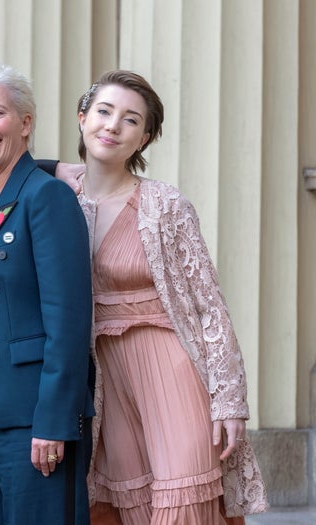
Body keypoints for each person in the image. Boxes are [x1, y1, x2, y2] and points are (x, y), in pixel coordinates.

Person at [73, 70, 268, 523]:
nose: (113, 125)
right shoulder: (57, 199)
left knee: (182, 500)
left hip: (173, 367)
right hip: (107, 379)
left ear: (143, 139)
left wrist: (230, 402)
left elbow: (209, 307)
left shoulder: (164, 204)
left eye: (130, 120)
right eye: (104, 111)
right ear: (82, 118)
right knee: (130, 507)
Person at [0, 61, 93, 525]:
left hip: (32, 419)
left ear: (26, 123)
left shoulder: (47, 197)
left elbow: (67, 321)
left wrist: (54, 421)